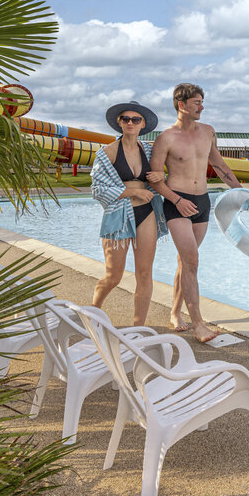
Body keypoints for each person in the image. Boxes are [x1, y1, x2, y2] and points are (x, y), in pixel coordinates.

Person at [147, 83, 242, 343]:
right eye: (197, 102)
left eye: (202, 101)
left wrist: (240, 191)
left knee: (185, 262)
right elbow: (156, 180)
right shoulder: (165, 138)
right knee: (192, 261)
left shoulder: (208, 132)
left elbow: (218, 163)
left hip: (202, 201)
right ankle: (199, 324)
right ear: (181, 105)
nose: (202, 106)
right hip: (177, 203)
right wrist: (177, 201)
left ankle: (176, 312)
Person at [91, 100, 168, 326]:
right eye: (126, 119)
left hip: (146, 213)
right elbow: (97, 189)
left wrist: (160, 178)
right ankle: (92, 311)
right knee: (113, 276)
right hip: (119, 215)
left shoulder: (150, 150)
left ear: (143, 124)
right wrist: (131, 190)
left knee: (144, 274)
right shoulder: (107, 153)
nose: (131, 123)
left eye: (136, 119)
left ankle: (138, 328)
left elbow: (162, 176)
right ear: (119, 122)